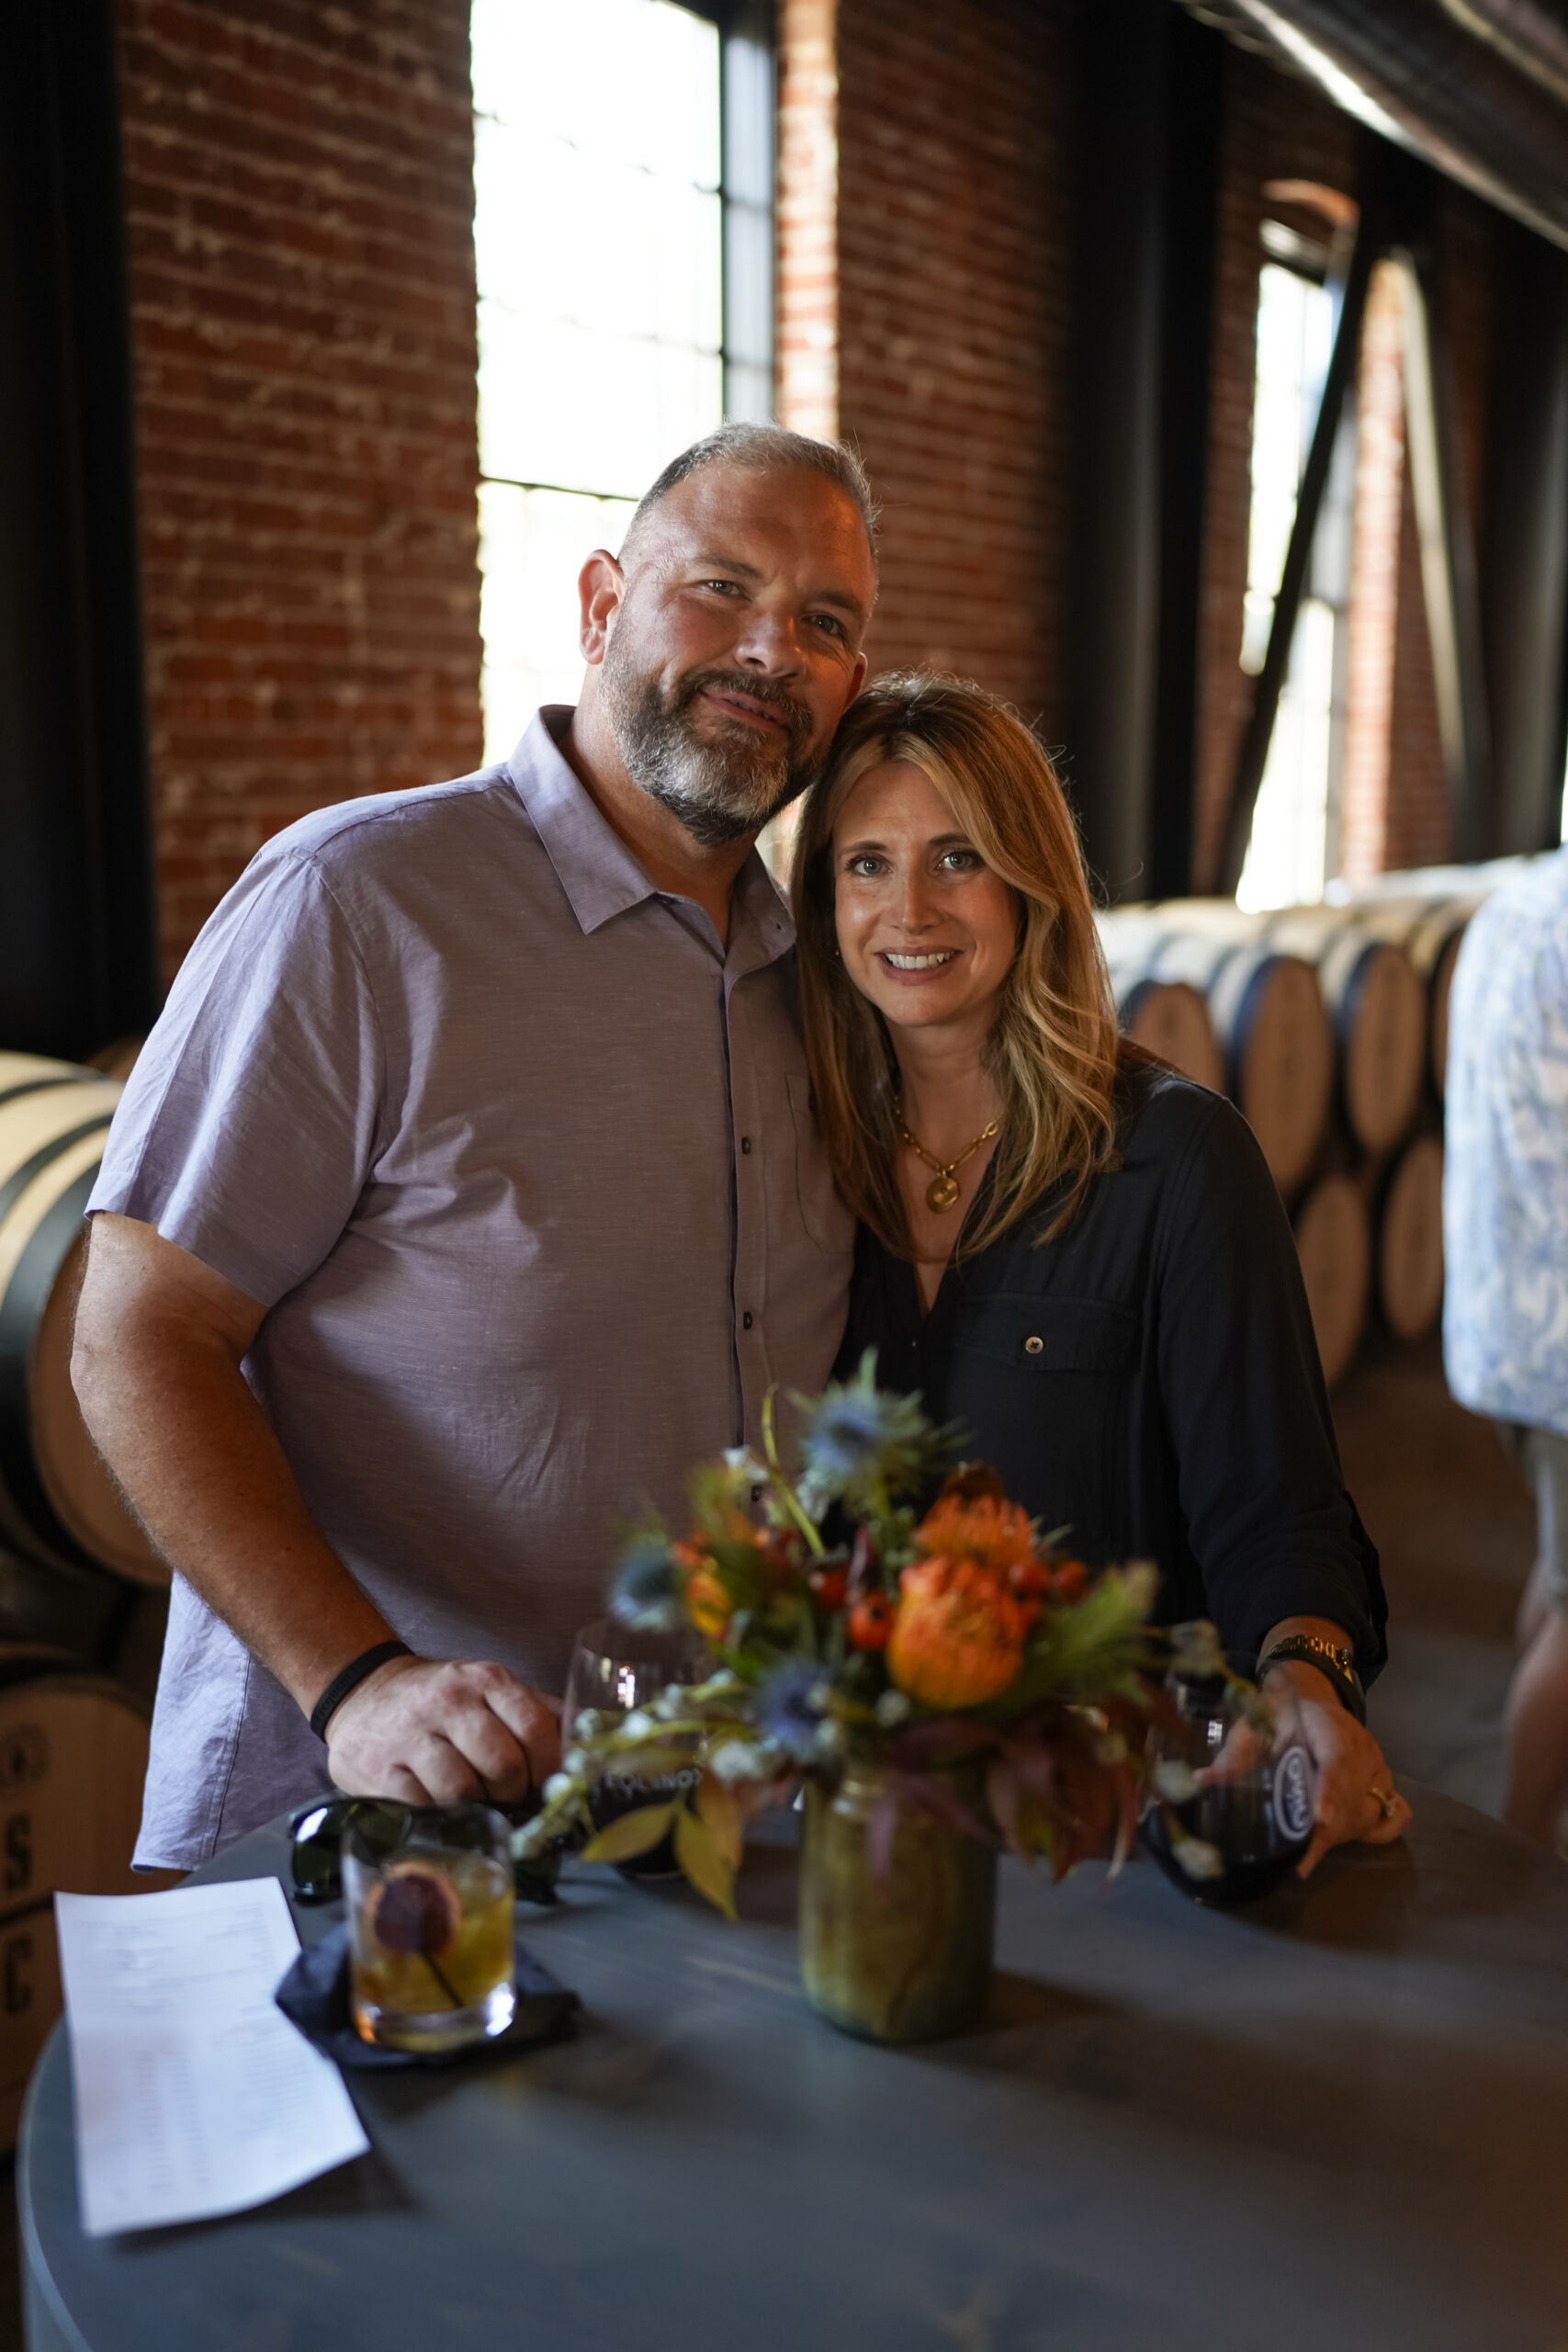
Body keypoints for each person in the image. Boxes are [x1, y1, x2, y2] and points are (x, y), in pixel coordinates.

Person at [72, 424, 877, 1867]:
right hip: (369, 1825)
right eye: (720, 588)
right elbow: (137, 1332)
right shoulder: (359, 903)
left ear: (851, 685)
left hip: (704, 1828)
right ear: (598, 607)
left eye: (824, 622)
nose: (772, 650)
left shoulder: (825, 978)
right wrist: (358, 1684)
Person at [791, 672, 1409, 1878]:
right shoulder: (798, 1159)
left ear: (1029, 882)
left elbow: (1276, 1513)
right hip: (860, 1824)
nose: (907, 907)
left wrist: (1305, 1679)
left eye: (958, 857)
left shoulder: (1176, 1159)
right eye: (865, 863)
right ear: (822, 899)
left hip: (1107, 1830)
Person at [1442, 845, 1568, 1847]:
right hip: (1562, 1344)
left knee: (1558, 1574)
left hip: (1502, 1320)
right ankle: (1526, 1860)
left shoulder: (1514, 906)